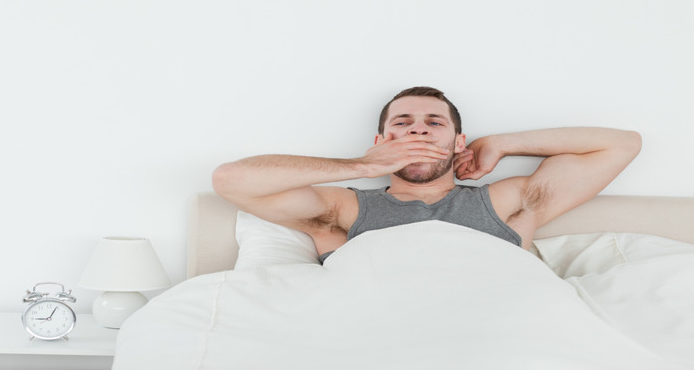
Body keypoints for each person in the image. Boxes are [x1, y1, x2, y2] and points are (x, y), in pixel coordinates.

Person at [212, 86, 641, 263]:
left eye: (435, 123)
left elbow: (622, 144)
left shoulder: (507, 202)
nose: (418, 128)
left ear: (459, 142)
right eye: (402, 123)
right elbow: (231, 179)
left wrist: (503, 143)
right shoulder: (344, 207)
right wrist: (362, 167)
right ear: (381, 141)